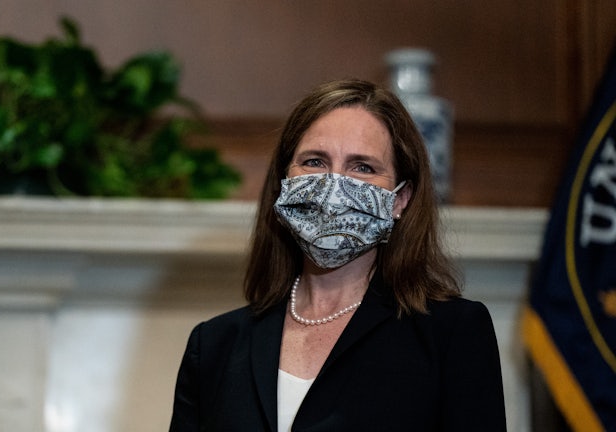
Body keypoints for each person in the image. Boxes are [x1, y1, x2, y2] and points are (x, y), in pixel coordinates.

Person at [169, 79, 506, 431]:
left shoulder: (451, 333)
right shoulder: (214, 344)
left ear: (400, 200)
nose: (334, 187)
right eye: (314, 161)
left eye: (363, 167)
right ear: (284, 181)